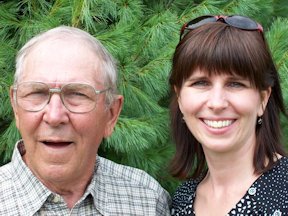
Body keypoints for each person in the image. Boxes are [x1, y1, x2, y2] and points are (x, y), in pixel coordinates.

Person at [0, 26, 171, 215]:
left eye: (77, 94)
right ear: (16, 108)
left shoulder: (147, 200)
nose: (55, 116)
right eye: (37, 93)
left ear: (111, 114)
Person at [169, 15, 288, 215]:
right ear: (179, 97)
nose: (217, 103)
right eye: (201, 83)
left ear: (263, 99)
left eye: (235, 84)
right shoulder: (181, 201)